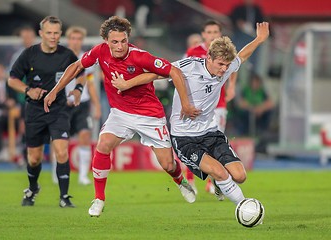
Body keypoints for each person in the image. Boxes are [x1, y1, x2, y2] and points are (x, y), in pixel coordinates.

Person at [43, 16, 201, 217]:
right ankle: (99, 198)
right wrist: (55, 90)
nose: (119, 46)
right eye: (115, 42)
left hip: (149, 115)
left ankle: (180, 180)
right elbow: (76, 67)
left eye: (123, 41)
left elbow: (175, 72)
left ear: (128, 39)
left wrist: (186, 105)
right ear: (106, 41)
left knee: (168, 165)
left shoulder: (140, 56)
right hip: (120, 113)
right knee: (103, 145)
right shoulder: (100, 52)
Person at [111, 22, 270, 206]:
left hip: (210, 133)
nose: (224, 69)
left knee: (240, 176)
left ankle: (222, 185)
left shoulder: (225, 68)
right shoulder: (189, 67)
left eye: (227, 65)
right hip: (185, 138)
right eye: (220, 64)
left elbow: (242, 56)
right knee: (220, 172)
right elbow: (155, 74)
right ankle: (244, 206)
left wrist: (259, 39)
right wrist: (127, 84)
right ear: (208, 58)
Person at [8, 16, 82, 208]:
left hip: (58, 109)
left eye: (56, 33)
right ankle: (33, 188)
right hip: (34, 111)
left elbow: (81, 73)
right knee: (34, 158)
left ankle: (64, 197)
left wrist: (77, 90)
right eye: (49, 32)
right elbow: (12, 79)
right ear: (41, 34)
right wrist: (28, 90)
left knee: (61, 152)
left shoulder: (67, 55)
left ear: (60, 34)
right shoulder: (29, 54)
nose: (53, 36)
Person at [184, 19, 238, 196]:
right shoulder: (194, 52)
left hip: (219, 104)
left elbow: (235, 65)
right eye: (209, 32)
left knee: (214, 141)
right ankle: (190, 180)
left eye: (216, 32)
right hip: (197, 107)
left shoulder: (225, 53)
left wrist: (231, 85)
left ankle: (213, 182)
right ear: (203, 34)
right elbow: (181, 75)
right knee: (193, 141)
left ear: (219, 34)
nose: (212, 35)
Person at [60, 26, 101, 185]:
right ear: (68, 39)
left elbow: (90, 83)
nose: (76, 41)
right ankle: (59, 173)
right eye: (73, 38)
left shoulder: (86, 59)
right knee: (61, 141)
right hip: (64, 105)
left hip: (82, 104)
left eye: (78, 39)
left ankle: (83, 175)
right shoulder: (60, 57)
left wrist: (96, 106)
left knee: (85, 136)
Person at [9, 25, 37, 165]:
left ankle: (37, 154)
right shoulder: (17, 55)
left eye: (29, 36)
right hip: (23, 96)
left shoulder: (40, 53)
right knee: (23, 126)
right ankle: (23, 154)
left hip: (39, 97)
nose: (27, 39)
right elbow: (12, 78)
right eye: (24, 37)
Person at [236, 72, 274, 136]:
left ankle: (262, 131)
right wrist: (252, 109)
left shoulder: (262, 91)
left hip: (259, 112)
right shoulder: (246, 90)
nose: (255, 84)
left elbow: (270, 103)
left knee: (268, 112)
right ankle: (245, 132)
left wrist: (261, 108)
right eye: (254, 82)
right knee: (245, 114)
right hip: (248, 111)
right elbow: (241, 103)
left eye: (257, 82)